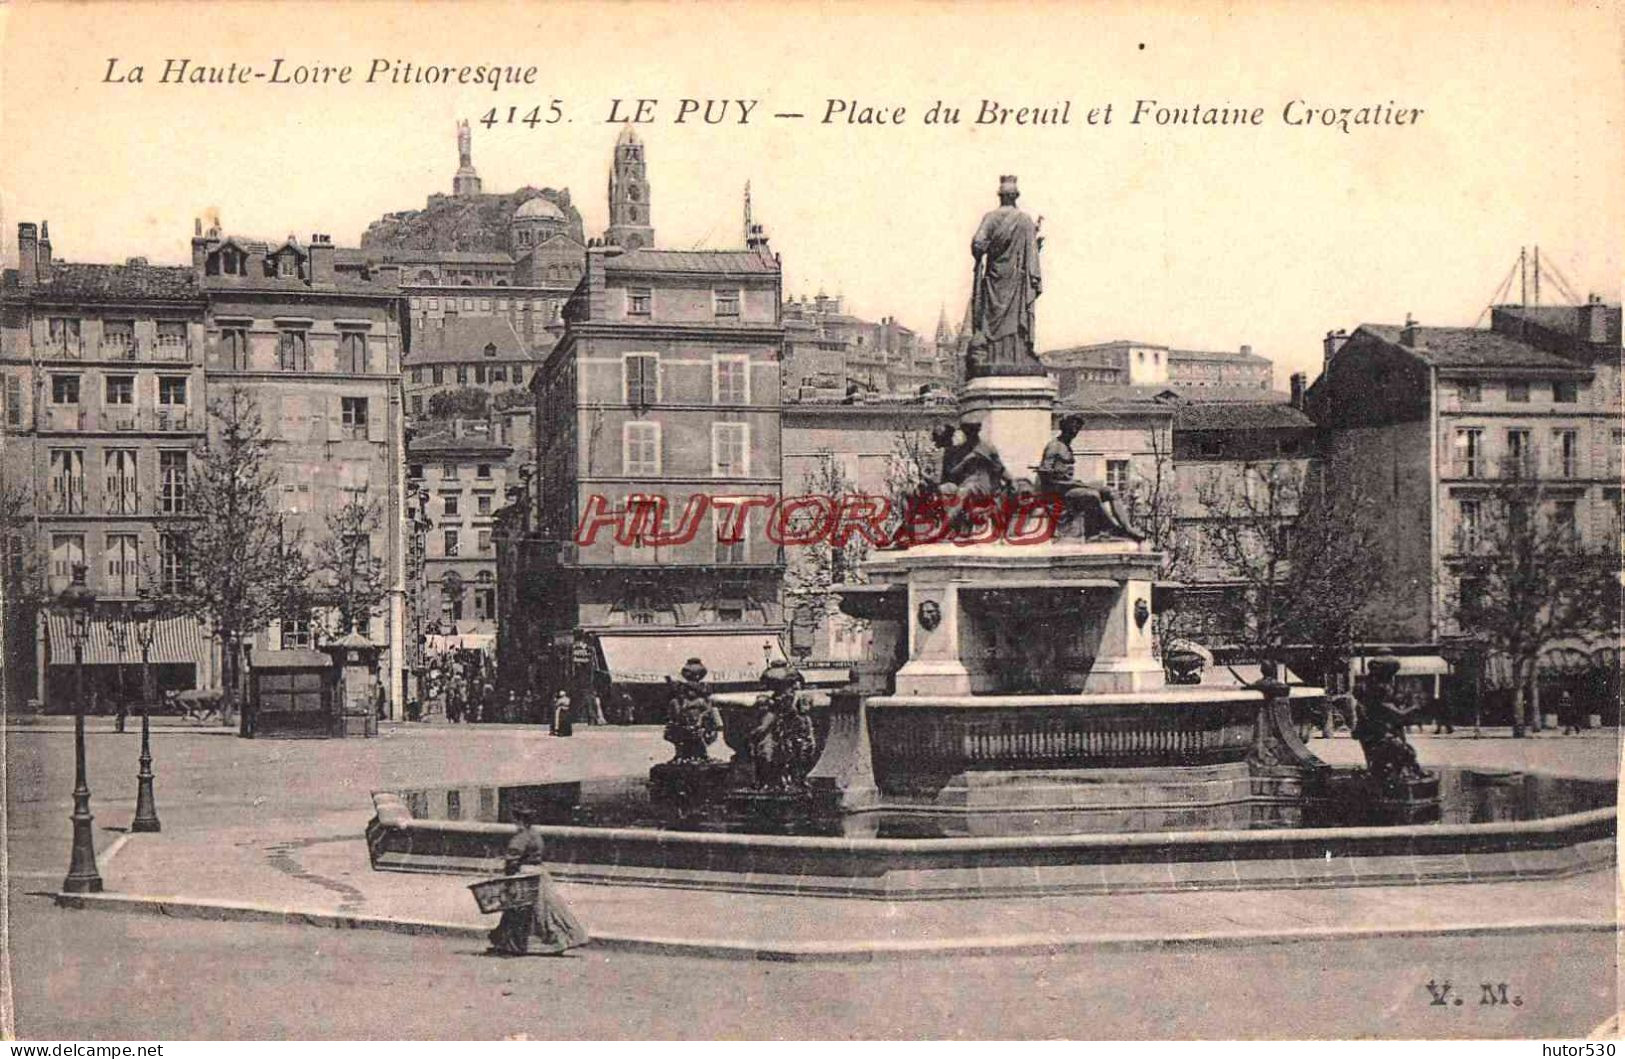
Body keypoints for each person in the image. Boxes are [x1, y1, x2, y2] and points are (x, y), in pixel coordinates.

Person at [485, 810, 590, 957]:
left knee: (519, 911)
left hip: (525, 875)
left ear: (519, 820)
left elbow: (512, 860)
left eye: (515, 820)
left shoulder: (521, 838)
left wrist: (507, 879)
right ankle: (559, 941)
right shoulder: (536, 835)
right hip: (540, 874)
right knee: (545, 910)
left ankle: (517, 945)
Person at [968, 174, 1044, 377]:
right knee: (1017, 320)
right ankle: (1017, 356)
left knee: (993, 320)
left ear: (1000, 196)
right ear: (1015, 196)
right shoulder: (1026, 221)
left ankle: (996, 357)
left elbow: (977, 245)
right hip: (1018, 282)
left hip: (996, 281)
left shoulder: (991, 218)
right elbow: (1031, 256)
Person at [1036, 413, 1143, 541]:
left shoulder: (1067, 447)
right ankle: (1111, 529)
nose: (1075, 432)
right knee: (1092, 495)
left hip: (1071, 488)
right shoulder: (1054, 446)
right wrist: (1071, 482)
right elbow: (1045, 475)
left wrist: (1075, 483)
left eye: (1077, 429)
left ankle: (1127, 527)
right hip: (1059, 493)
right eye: (1072, 428)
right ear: (1064, 428)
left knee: (1110, 491)